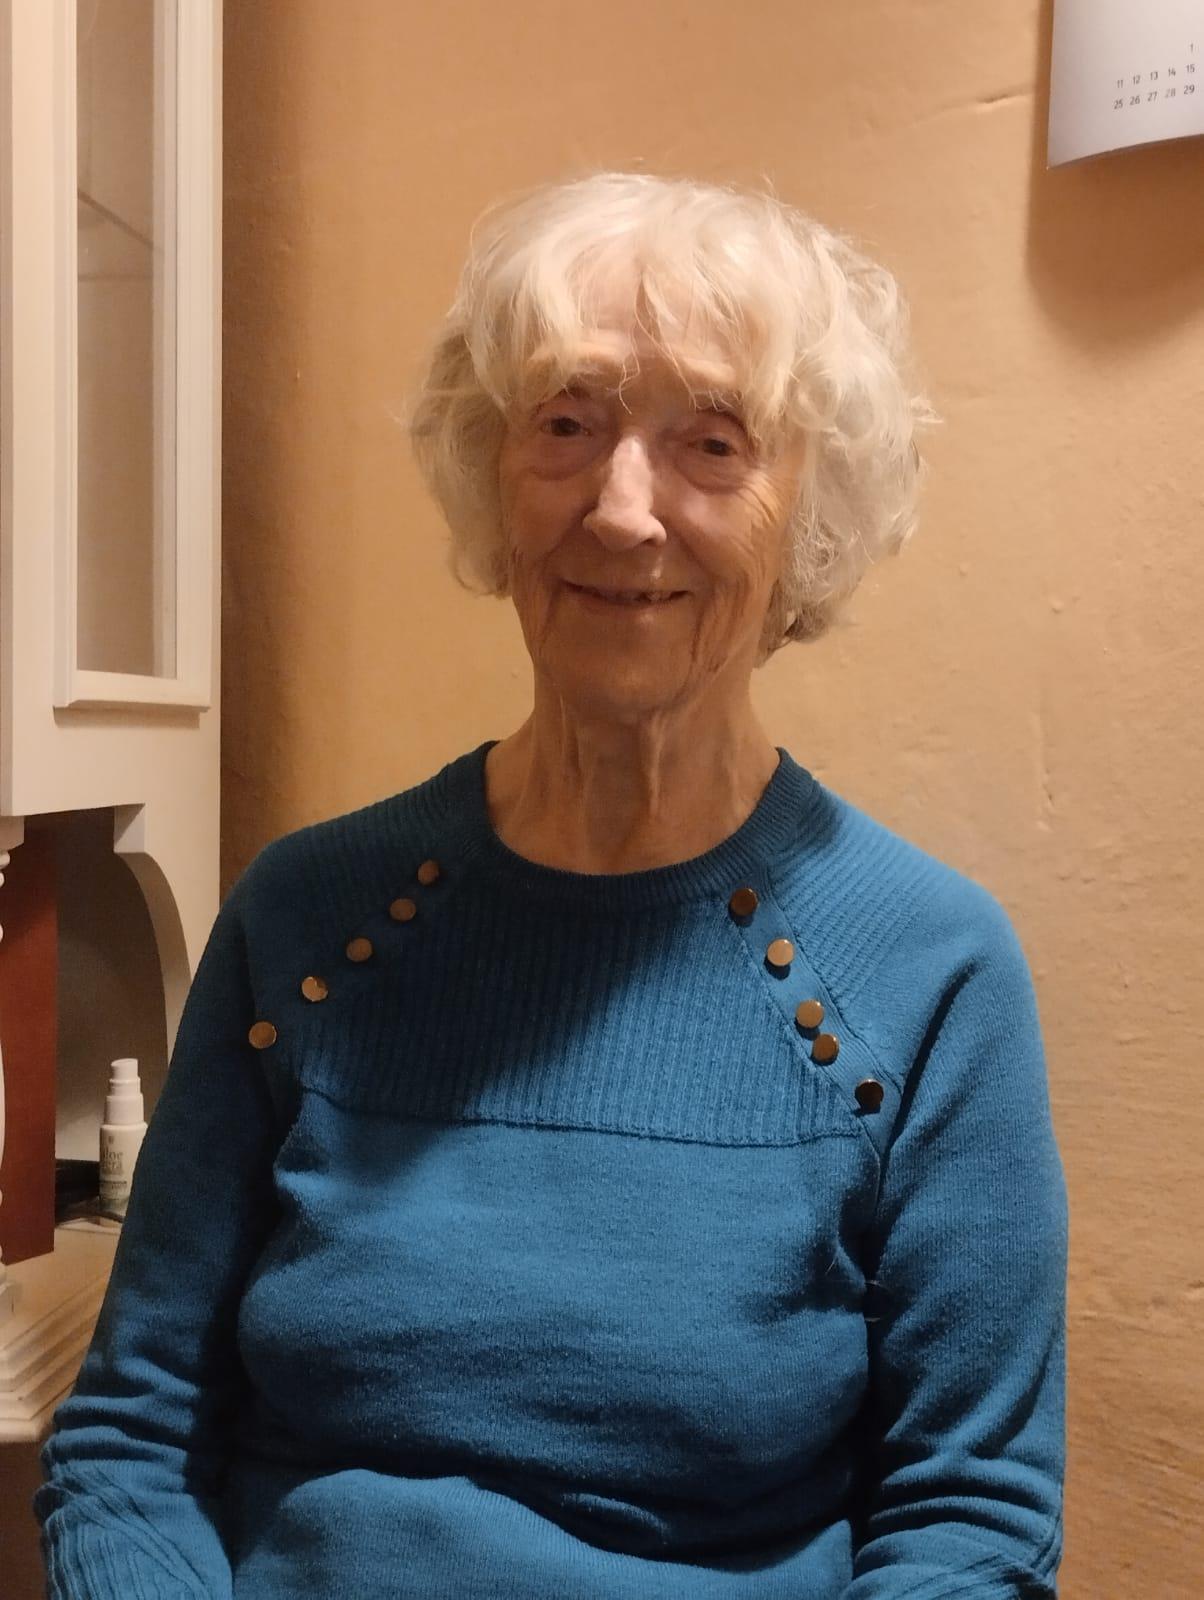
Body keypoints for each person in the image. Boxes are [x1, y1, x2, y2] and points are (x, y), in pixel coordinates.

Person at [35, 170, 1068, 1599]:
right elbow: (130, 1442)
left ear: (811, 506)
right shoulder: (307, 918)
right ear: (492, 470)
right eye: (567, 425)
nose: (624, 511)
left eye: (712, 443)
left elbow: (970, 1525)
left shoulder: (930, 972)